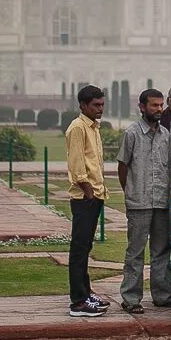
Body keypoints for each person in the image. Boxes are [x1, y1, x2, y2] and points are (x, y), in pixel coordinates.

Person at [117, 88, 171, 313]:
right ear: (142, 107)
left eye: (161, 105)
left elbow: (169, 165)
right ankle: (131, 298)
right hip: (139, 201)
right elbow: (123, 166)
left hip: (161, 199)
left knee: (161, 250)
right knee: (135, 251)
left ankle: (161, 294)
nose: (159, 109)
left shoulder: (165, 134)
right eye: (154, 105)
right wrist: (130, 192)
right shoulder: (132, 133)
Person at [66, 85, 110, 318]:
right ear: (83, 105)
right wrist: (89, 192)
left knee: (85, 247)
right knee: (79, 249)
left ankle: (85, 292)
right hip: (85, 197)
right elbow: (76, 166)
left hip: (94, 195)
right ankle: (78, 302)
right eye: (96, 105)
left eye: (102, 104)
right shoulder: (78, 128)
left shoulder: (92, 127)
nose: (100, 109)